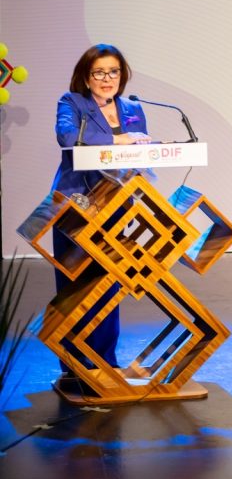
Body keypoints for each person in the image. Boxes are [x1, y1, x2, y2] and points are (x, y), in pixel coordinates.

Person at [52, 44, 151, 387]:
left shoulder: (133, 107)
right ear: (86, 76)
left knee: (109, 282)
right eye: (99, 72)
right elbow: (68, 137)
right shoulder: (71, 103)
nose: (107, 78)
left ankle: (105, 360)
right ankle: (74, 361)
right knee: (76, 284)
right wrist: (118, 139)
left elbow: (139, 147)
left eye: (114, 71)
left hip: (116, 202)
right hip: (76, 203)